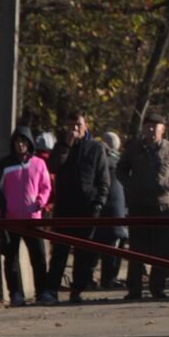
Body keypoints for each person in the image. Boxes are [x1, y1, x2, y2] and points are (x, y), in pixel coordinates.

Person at [116, 112, 169, 300]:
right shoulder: (134, 149)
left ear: (162, 129)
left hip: (162, 208)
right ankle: (134, 289)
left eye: (154, 126)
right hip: (138, 206)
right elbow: (121, 169)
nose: (150, 130)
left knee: (161, 251)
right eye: (147, 126)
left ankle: (157, 288)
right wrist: (130, 184)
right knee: (136, 250)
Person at [43, 112, 111, 304]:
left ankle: (77, 289)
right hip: (65, 208)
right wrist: (66, 146)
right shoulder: (61, 146)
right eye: (71, 125)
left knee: (83, 253)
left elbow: (103, 178)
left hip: (87, 208)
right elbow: (53, 167)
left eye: (78, 125)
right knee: (60, 252)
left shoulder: (96, 148)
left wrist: (99, 202)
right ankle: (51, 289)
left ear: (86, 126)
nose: (74, 129)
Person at [0, 126, 52, 306]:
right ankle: (15, 294)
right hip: (10, 218)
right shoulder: (4, 164)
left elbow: (46, 186)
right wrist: (1, 212)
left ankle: (42, 292)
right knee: (11, 258)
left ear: (29, 143)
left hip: (32, 218)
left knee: (39, 257)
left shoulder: (38, 163)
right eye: (18, 142)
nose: (21, 145)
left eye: (24, 141)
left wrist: (40, 202)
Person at [95, 131, 129, 289]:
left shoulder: (99, 161)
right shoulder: (119, 162)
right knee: (113, 246)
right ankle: (109, 278)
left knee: (99, 245)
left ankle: (97, 278)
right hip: (116, 209)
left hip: (102, 209)